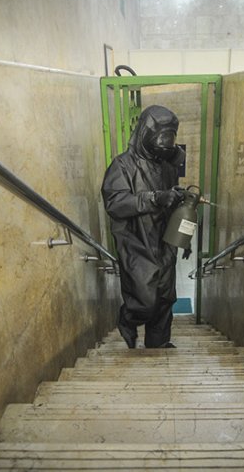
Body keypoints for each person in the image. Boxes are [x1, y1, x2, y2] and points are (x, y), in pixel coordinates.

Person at [101, 105, 187, 349]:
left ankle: (158, 345)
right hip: (135, 239)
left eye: (170, 137)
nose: (166, 143)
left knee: (165, 297)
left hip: (165, 239)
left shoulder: (167, 165)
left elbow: (170, 202)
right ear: (145, 134)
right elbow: (115, 203)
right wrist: (153, 198)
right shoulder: (122, 166)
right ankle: (128, 320)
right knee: (145, 297)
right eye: (161, 136)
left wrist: (181, 234)